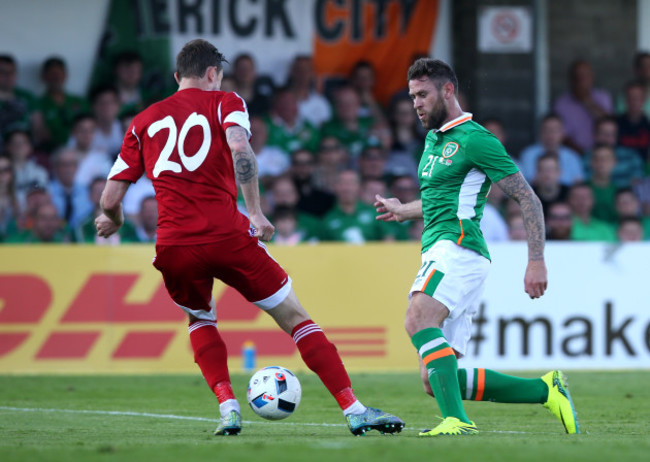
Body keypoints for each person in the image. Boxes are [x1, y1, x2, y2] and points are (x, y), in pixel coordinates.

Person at [95, 39, 403, 437]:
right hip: (226, 234)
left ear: (177, 76)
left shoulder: (142, 121)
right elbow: (241, 149)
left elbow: (108, 198)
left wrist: (114, 221)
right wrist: (255, 211)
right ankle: (354, 409)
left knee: (200, 317)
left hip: (174, 244)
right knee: (295, 318)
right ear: (212, 73)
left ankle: (228, 409)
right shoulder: (225, 102)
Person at [373, 58, 579, 436]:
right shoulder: (434, 139)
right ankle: (546, 390)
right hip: (448, 250)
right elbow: (442, 200)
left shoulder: (475, 139)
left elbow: (529, 199)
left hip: (457, 248)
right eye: (411, 96)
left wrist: (536, 260)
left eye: (422, 95)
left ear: (447, 91)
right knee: (432, 378)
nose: (415, 104)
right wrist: (404, 210)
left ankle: (457, 421)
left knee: (417, 318)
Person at [553, 59, 613, 154]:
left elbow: (609, 123)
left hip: (603, 155)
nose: (581, 81)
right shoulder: (561, 104)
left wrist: (587, 101)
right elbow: (562, 136)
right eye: (577, 77)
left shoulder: (603, 97)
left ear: (592, 78)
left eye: (585, 76)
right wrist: (583, 154)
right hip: (574, 154)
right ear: (571, 80)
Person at [518, 114, 584, 185]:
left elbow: (578, 184)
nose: (550, 134)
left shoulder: (573, 157)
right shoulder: (528, 155)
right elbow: (523, 184)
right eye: (546, 130)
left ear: (563, 133)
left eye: (555, 130)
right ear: (540, 132)